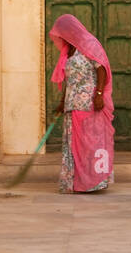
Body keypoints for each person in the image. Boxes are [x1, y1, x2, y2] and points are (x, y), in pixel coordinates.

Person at [49, 13, 115, 193]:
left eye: (62, 32)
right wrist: (63, 102)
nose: (60, 37)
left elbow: (101, 69)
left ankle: (93, 181)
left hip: (89, 104)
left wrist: (99, 94)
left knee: (89, 144)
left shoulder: (89, 45)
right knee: (74, 146)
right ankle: (77, 182)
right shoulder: (67, 51)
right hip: (72, 104)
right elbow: (69, 79)